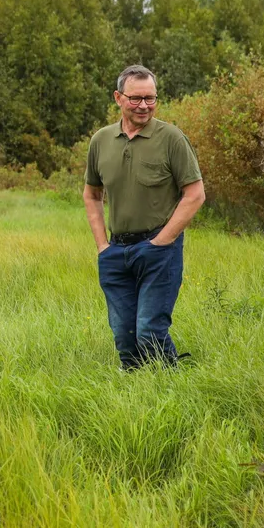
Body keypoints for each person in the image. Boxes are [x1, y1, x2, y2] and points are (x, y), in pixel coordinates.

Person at [83, 65, 205, 369]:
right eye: (136, 98)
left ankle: (173, 386)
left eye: (150, 98)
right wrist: (102, 246)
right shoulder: (101, 141)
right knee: (125, 338)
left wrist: (162, 242)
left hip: (158, 249)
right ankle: (133, 396)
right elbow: (92, 194)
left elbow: (195, 194)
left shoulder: (172, 139)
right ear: (118, 98)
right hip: (115, 251)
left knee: (150, 331)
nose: (144, 106)